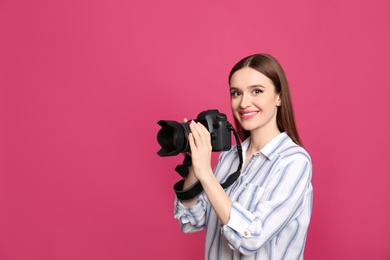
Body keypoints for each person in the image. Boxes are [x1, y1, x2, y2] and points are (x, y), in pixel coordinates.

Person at [174, 53, 313, 259]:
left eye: (256, 91)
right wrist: (195, 166)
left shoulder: (294, 162)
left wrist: (206, 175)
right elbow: (191, 220)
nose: (244, 103)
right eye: (236, 93)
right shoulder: (229, 157)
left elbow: (251, 239)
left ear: (279, 97)